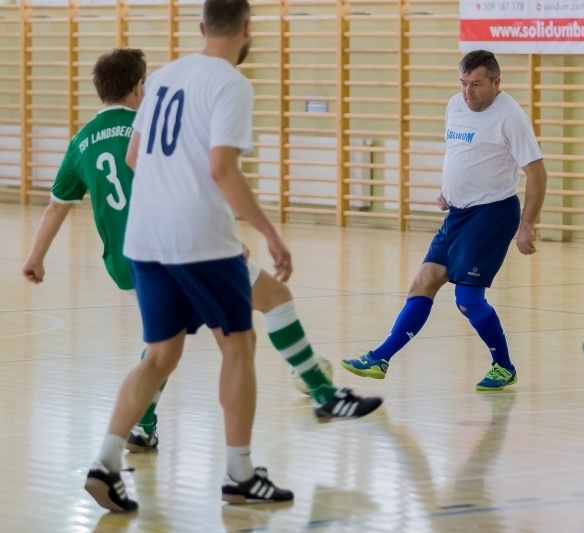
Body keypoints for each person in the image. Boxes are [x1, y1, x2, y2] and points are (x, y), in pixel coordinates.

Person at [21, 48, 381, 458]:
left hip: (127, 261)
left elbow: (56, 205)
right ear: (140, 87)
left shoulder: (81, 140)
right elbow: (198, 174)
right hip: (180, 243)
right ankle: (319, 394)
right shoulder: (151, 122)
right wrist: (219, 234)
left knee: (162, 345)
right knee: (268, 309)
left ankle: (138, 431)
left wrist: (36, 257)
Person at [78, 0, 356, 512]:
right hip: (196, 238)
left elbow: (137, 157)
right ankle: (240, 475)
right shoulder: (231, 84)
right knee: (239, 346)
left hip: (146, 236)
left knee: (161, 355)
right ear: (248, 30)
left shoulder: (162, 78)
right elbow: (223, 169)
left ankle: (105, 461)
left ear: (201, 26)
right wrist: (271, 234)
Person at [341, 50, 548, 390]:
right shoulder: (455, 106)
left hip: (492, 214)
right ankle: (380, 359)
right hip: (458, 213)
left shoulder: (510, 115)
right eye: (464, 83)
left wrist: (527, 224)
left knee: (467, 300)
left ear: (496, 82)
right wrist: (448, 189)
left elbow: (537, 174)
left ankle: (504, 366)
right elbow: (459, 153)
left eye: (477, 85)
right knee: (424, 281)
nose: (469, 92)